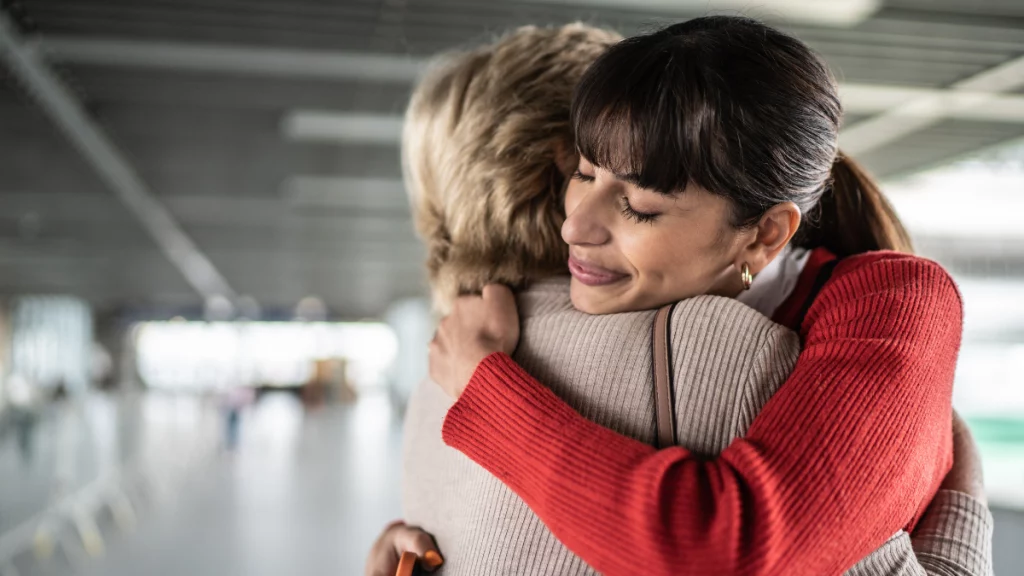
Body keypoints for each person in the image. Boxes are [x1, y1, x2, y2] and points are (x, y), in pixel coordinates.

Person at [366, 22, 992, 576]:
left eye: (638, 206)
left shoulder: (892, 303)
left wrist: (486, 387)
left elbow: (724, 553)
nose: (574, 226)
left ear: (764, 234)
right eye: (582, 174)